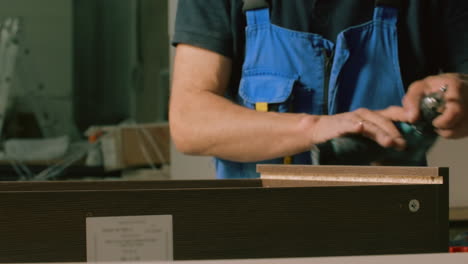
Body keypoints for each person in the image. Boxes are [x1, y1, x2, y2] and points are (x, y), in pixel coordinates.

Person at [169, 0, 468, 179]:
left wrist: (458, 94)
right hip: (254, 235)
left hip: (391, 228)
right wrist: (314, 128)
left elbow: (463, 87)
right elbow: (190, 121)